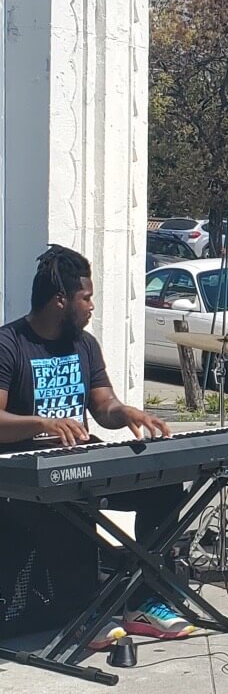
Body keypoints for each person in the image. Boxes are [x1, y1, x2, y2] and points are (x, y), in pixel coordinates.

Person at [0, 245, 194, 647]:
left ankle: (144, 600)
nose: (91, 306)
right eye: (86, 298)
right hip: (24, 482)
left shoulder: (84, 345)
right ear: (60, 301)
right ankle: (84, 611)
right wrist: (41, 423)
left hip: (85, 464)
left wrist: (126, 414)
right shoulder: (10, 344)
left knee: (163, 489)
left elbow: (102, 405)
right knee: (68, 509)